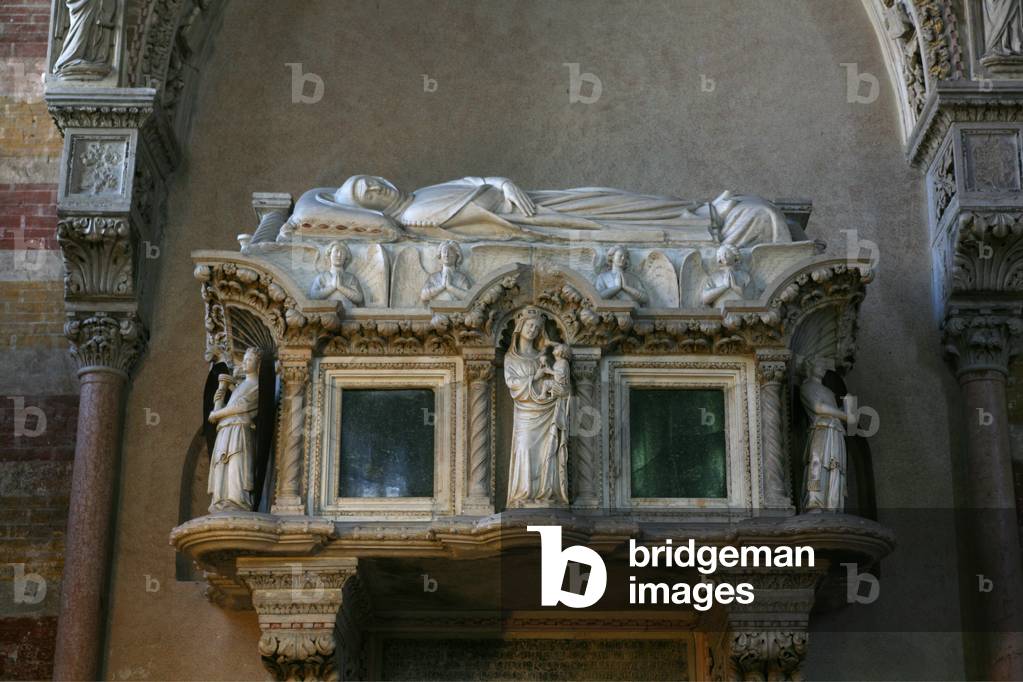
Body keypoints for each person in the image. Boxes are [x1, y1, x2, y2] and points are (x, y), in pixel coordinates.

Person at [504, 308, 569, 506]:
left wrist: (559, 390)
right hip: (526, 411)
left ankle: (545, 493)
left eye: (537, 327)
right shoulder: (511, 358)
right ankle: (524, 494)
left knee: (547, 451)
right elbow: (512, 383)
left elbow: (560, 382)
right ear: (520, 327)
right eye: (530, 325)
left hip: (547, 409)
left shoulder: (543, 356)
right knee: (525, 447)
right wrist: (535, 377)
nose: (533, 329)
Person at [207, 347, 261, 512]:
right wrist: (221, 391)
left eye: (249, 360)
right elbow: (224, 409)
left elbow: (241, 406)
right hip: (225, 430)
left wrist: (217, 414)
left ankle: (237, 501)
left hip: (239, 429)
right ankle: (220, 501)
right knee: (221, 463)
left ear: (258, 364)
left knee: (236, 462)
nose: (245, 363)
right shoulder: (241, 386)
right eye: (244, 359)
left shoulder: (256, 385)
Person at [309, 241, 364, 307]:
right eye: (336, 251)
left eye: (343, 253)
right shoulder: (322, 277)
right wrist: (332, 287)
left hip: (349, 313)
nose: (339, 255)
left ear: (346, 257)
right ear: (329, 255)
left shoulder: (351, 278)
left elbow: (359, 298)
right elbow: (313, 295)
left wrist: (341, 287)